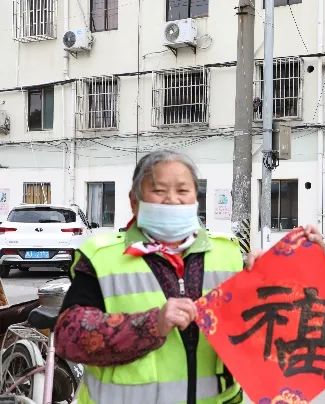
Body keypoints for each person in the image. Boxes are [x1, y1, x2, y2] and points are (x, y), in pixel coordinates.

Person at [55, 150, 243, 404]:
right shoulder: (102, 258)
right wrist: (152, 324)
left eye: (183, 190)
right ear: (135, 201)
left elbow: (264, 331)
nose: (172, 200)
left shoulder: (229, 253)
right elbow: (69, 338)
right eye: (159, 190)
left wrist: (278, 272)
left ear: (196, 198)